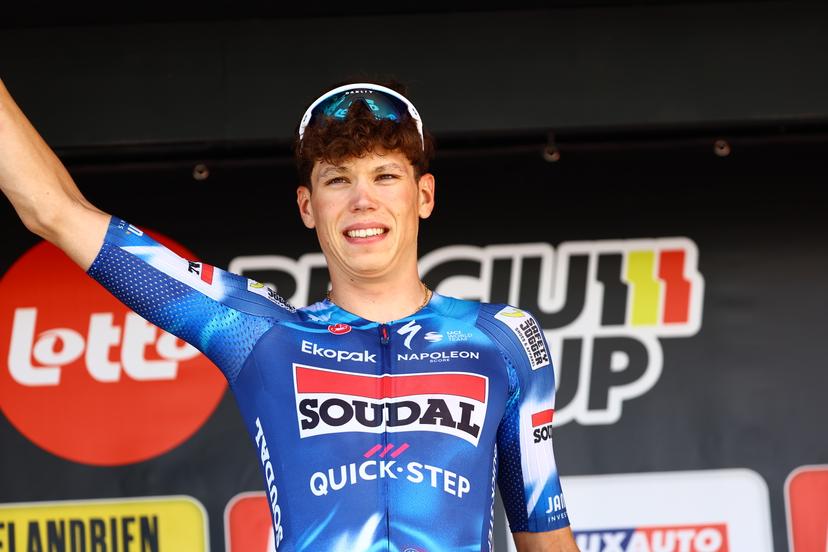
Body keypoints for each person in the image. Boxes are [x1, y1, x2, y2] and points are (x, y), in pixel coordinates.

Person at [0, 77, 579, 551]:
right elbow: (54, 211)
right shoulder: (261, 334)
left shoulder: (502, 339)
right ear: (307, 205)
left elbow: (545, 541)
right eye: (337, 179)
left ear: (423, 195)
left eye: (385, 175)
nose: (362, 201)